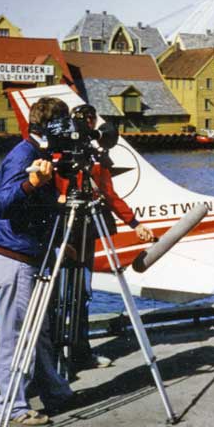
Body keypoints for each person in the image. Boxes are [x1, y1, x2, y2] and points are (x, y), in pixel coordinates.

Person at [0, 97, 74, 426]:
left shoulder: (39, 154)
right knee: (16, 334)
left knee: (39, 331)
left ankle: (54, 390)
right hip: (15, 257)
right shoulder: (24, 156)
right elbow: (4, 204)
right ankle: (13, 405)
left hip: (33, 254)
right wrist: (33, 183)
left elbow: (37, 206)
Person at [59, 104, 155, 370]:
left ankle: (79, 351)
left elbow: (109, 195)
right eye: (88, 121)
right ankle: (58, 354)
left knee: (82, 293)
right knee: (61, 295)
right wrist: (63, 241)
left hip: (85, 232)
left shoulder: (94, 159)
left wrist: (135, 223)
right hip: (65, 234)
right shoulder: (64, 156)